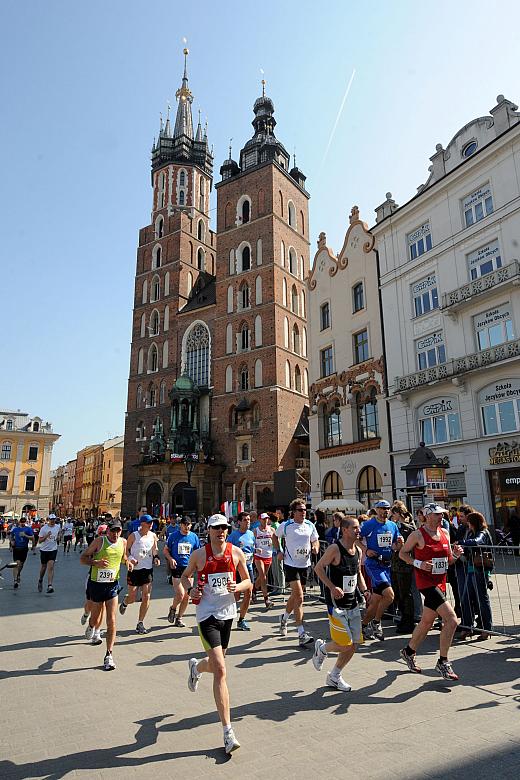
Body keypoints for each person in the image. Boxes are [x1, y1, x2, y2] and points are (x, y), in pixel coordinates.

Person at [180, 513, 251, 755]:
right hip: (206, 615)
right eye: (216, 528)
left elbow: (248, 581)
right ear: (208, 531)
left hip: (227, 614)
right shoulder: (200, 555)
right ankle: (228, 731)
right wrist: (191, 592)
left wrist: (237, 586)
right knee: (221, 669)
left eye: (224, 528)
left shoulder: (236, 552)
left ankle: (196, 668)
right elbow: (185, 576)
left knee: (214, 665)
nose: (221, 531)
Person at [399, 503, 463, 680]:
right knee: (451, 620)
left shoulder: (445, 533)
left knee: (426, 622)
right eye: (436, 515)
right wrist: (419, 564)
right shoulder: (417, 534)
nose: (440, 517)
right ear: (426, 516)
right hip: (426, 583)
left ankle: (408, 651)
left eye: (442, 514)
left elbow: (448, 561)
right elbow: (402, 554)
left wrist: (456, 555)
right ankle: (443, 662)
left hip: (440, 582)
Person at [313, 516, 370, 691]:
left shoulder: (358, 550)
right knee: (344, 644)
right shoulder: (334, 549)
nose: (358, 530)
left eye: (358, 527)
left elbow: (357, 573)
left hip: (352, 603)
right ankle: (322, 648)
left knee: (354, 644)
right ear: (345, 530)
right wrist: (332, 587)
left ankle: (334, 676)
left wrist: (365, 590)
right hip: (336, 605)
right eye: (354, 528)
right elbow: (318, 568)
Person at [80, 518, 133, 669]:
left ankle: (109, 655)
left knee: (112, 620)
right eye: (113, 531)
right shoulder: (99, 542)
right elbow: (83, 558)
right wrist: (95, 563)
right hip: (96, 584)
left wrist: (127, 563)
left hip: (112, 585)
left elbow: (123, 557)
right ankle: (91, 625)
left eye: (119, 531)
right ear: (108, 530)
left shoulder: (123, 542)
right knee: (96, 619)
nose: (116, 534)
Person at [273, 499, 319, 646]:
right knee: (299, 597)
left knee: (295, 596)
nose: (304, 512)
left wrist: (315, 547)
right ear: (293, 512)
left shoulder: (310, 525)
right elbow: (275, 537)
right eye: (300, 510)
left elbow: (315, 540)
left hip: (304, 565)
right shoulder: (286, 525)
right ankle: (301, 633)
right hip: (290, 564)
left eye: (305, 509)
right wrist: (278, 551)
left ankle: (284, 618)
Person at [359, 500, 402, 641]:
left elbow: (395, 546)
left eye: (387, 509)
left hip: (386, 565)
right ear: (376, 510)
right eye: (382, 508)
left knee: (375, 601)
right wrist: (366, 550)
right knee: (389, 596)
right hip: (373, 564)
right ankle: (377, 622)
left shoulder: (392, 525)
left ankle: (364, 626)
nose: (385, 511)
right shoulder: (369, 524)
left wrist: (399, 545)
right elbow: (355, 538)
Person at [119, 514, 160, 634]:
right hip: (134, 569)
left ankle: (140, 622)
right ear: (142, 524)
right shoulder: (134, 535)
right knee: (132, 597)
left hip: (147, 569)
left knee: (146, 596)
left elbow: (155, 549)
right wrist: (131, 558)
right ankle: (126, 602)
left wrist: (156, 557)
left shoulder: (153, 535)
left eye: (151, 522)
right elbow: (126, 551)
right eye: (148, 522)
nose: (151, 524)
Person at [458, 511, 494, 640]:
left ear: (473, 522)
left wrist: (462, 542)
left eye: (469, 521)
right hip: (471, 569)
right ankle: (467, 627)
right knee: (466, 599)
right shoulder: (471, 532)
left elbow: (477, 542)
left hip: (480, 570)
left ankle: (487, 629)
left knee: (481, 599)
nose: (467, 524)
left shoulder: (483, 532)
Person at [164, 517, 201, 627]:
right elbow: (165, 550)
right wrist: (171, 559)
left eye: (189, 525)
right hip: (177, 568)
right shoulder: (173, 536)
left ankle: (179, 618)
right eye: (185, 524)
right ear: (181, 525)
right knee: (180, 594)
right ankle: (173, 608)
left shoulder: (194, 537)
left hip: (189, 568)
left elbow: (198, 552)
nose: (187, 527)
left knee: (187, 596)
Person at [390, 505, 416, 634]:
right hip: (394, 563)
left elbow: (413, 547)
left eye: (393, 514)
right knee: (398, 594)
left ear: (398, 513)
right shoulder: (392, 527)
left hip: (405, 564)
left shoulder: (409, 528)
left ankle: (408, 621)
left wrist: (402, 545)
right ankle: (403, 618)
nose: (392, 516)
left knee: (406, 594)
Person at [228, 512, 256, 629]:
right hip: (236, 570)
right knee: (236, 596)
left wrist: (255, 552)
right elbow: (227, 551)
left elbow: (252, 548)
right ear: (239, 522)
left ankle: (241, 619)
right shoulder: (233, 536)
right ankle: (228, 618)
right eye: (245, 520)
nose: (247, 521)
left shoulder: (251, 534)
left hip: (248, 568)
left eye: (249, 519)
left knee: (248, 593)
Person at [253, 512, 275, 608]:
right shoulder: (256, 530)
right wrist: (255, 549)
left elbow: (276, 541)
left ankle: (253, 590)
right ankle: (266, 599)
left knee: (262, 577)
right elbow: (251, 542)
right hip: (258, 556)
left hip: (268, 556)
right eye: (263, 519)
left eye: (266, 518)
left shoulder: (272, 530)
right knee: (263, 576)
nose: (265, 520)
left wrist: (276, 548)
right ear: (259, 520)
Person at [37, 515, 61, 593]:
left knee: (50, 566)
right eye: (51, 519)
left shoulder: (57, 527)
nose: (53, 521)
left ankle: (49, 585)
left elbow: (60, 533)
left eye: (54, 519)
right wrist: (46, 536)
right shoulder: (44, 528)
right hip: (44, 550)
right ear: (48, 520)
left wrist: (59, 537)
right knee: (44, 567)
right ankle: (40, 580)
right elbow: (40, 541)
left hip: (53, 549)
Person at [10, 517, 34, 588]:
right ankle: (15, 580)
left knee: (21, 564)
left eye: (24, 522)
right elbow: (11, 536)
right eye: (22, 522)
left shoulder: (28, 529)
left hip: (24, 549)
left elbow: (32, 538)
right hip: (16, 548)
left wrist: (25, 535)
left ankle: (18, 574)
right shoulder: (15, 529)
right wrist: (11, 542)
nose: (23, 523)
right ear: (19, 522)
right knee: (16, 564)